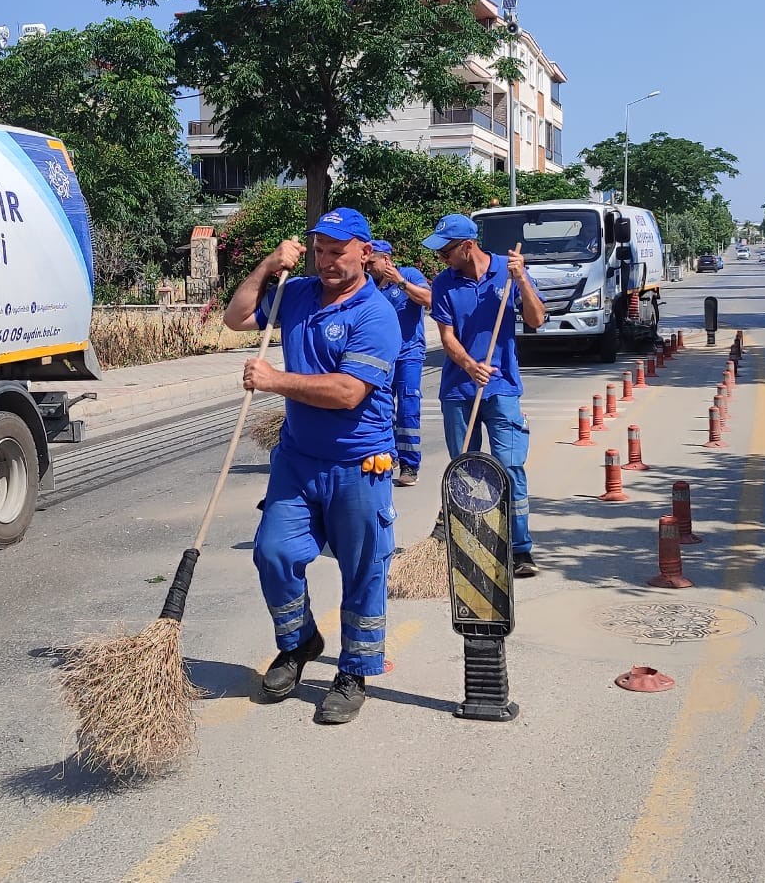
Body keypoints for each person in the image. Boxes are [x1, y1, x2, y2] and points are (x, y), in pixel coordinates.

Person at [224, 207, 401, 725]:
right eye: (319, 250)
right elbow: (235, 318)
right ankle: (300, 643)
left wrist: (275, 380)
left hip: (359, 465)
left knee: (363, 569)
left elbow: (348, 392)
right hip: (298, 461)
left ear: (364, 253)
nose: (326, 260)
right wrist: (265, 267)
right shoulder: (295, 293)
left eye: (337, 251)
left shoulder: (376, 315)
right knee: (273, 552)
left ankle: (354, 671)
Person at [423, 213, 547, 578]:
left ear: (467, 246)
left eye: (445, 251)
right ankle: (473, 541)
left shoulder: (507, 272)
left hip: (503, 387)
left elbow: (537, 320)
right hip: (459, 391)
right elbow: (447, 338)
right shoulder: (444, 284)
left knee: (510, 467)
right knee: (468, 470)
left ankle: (521, 549)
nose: (440, 259)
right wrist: (469, 366)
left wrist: (521, 279)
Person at [367, 240, 431, 487]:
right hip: (380, 357)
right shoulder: (368, 284)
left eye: (372, 262)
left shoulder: (409, 275)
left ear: (386, 260)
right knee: (379, 409)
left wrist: (400, 283)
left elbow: (429, 299)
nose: (368, 267)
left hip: (408, 355)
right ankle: (387, 456)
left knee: (407, 407)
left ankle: (409, 465)